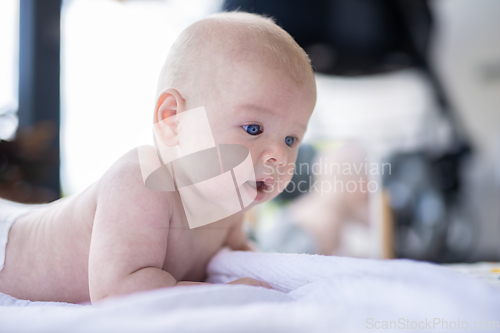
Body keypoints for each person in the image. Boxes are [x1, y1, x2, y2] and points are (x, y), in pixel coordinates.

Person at [0, 12, 317, 304]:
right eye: (253, 128)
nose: (279, 155)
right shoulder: (142, 182)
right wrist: (223, 295)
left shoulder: (229, 205)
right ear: (172, 120)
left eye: (291, 139)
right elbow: (116, 290)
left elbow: (243, 258)